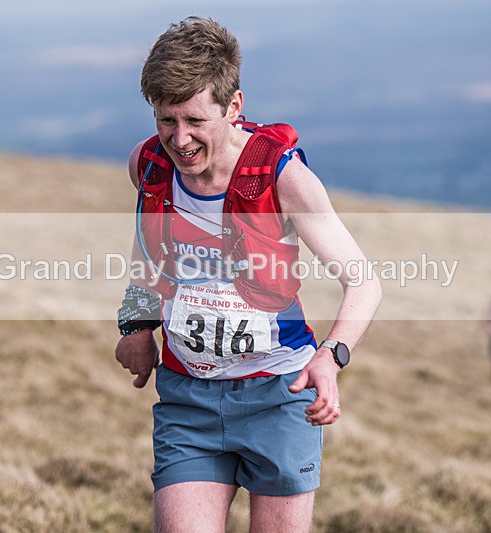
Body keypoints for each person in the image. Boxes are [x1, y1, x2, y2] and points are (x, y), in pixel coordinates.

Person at [114, 17, 382, 532]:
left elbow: (364, 281)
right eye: (165, 120)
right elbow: (146, 254)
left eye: (195, 120)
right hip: (188, 396)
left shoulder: (284, 179)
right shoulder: (148, 166)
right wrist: (137, 326)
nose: (180, 139)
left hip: (280, 396)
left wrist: (331, 356)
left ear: (234, 107)